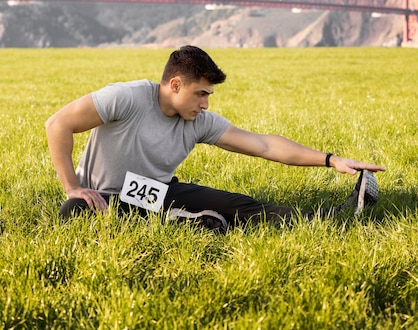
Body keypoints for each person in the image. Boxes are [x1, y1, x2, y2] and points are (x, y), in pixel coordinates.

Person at [45, 45, 385, 232]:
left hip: (155, 192)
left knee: (239, 205)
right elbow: (58, 124)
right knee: (73, 210)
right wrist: (73, 186)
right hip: (103, 199)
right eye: (201, 94)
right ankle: (182, 220)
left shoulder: (199, 120)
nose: (206, 104)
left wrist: (331, 160)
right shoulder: (127, 97)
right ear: (175, 85)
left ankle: (334, 217)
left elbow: (264, 145)